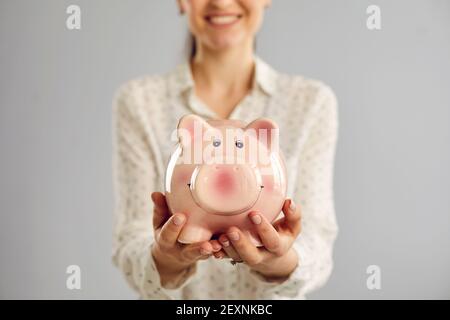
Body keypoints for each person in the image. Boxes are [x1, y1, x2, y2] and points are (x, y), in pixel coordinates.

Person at [112, 0, 338, 299]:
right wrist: (166, 259)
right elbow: (132, 240)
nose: (220, 1)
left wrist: (279, 261)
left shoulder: (310, 102)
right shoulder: (140, 102)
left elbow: (317, 242)